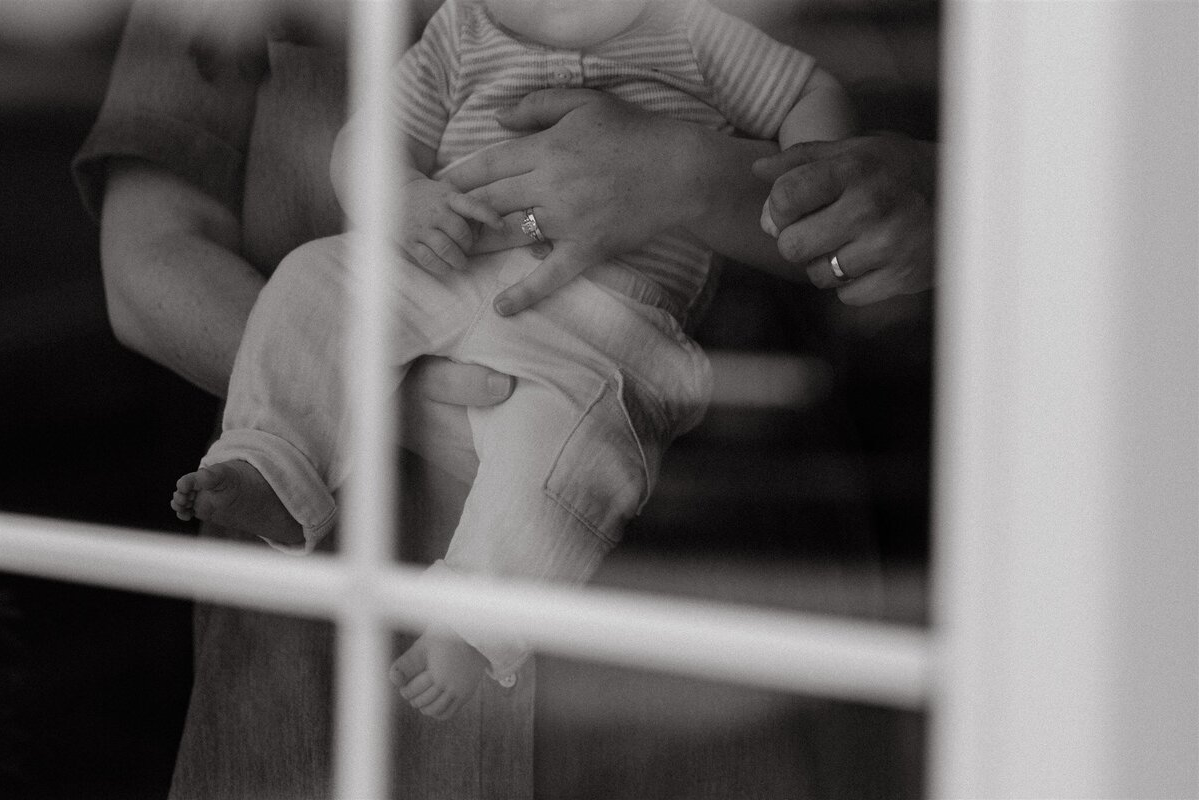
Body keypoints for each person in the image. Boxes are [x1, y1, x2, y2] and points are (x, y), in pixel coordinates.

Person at [75, 0, 934, 796]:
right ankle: (274, 459)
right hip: (333, 621)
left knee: (558, 442)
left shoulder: (694, 25)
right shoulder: (464, 27)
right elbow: (155, 257)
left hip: (680, 585)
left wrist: (723, 175)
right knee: (314, 281)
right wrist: (386, 367)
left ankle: (475, 619)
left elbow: (839, 156)